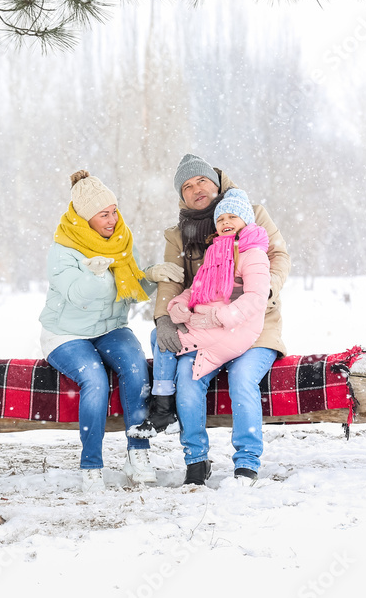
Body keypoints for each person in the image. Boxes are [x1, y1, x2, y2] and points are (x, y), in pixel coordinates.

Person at [39, 170, 184, 493]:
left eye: (114, 210)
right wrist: (95, 273)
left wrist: (151, 275)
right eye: (104, 214)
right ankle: (91, 464)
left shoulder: (120, 241)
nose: (112, 219)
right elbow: (78, 295)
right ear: (85, 217)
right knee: (95, 378)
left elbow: (129, 287)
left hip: (110, 328)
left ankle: (138, 454)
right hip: (66, 334)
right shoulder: (62, 250)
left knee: (135, 369)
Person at [153, 155, 290, 487]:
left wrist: (256, 294)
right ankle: (196, 462)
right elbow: (173, 279)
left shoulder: (251, 213)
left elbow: (279, 256)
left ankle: (246, 463)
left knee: (243, 378)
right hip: (208, 327)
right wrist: (164, 319)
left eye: (201, 181)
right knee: (187, 376)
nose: (196, 189)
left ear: (215, 182)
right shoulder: (179, 235)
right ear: (181, 196)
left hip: (255, 327)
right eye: (187, 187)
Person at [129, 189, 269, 438]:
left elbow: (256, 298)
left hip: (233, 329)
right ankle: (167, 412)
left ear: (246, 220)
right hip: (208, 324)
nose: (226, 222)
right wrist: (179, 305)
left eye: (232, 217)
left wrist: (220, 317)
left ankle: (163, 408)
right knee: (162, 338)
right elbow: (197, 289)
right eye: (221, 219)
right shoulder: (216, 252)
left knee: (160, 340)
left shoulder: (253, 254)